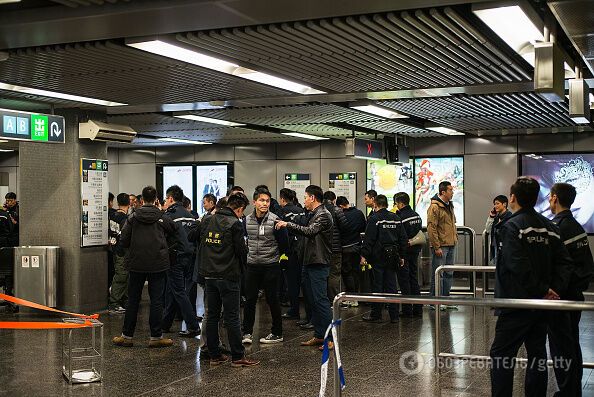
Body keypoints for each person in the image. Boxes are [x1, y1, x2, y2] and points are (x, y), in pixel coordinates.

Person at [489, 177, 572, 397]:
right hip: (542, 306)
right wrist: (554, 290)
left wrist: (543, 290)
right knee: (537, 354)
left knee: (501, 354)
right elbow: (565, 262)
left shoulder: (511, 227)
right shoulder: (550, 227)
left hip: (516, 304)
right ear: (536, 198)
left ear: (512, 197)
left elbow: (517, 264)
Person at [113, 186, 178, 348]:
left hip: (136, 264)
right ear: (156, 199)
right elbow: (175, 233)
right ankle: (156, 337)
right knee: (156, 301)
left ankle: (127, 336)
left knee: (133, 299)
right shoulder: (163, 217)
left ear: (141, 200)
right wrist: (164, 250)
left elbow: (124, 239)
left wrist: (131, 250)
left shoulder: (133, 217)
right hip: (158, 263)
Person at [199, 192, 259, 367]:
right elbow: (241, 251)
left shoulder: (207, 220)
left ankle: (214, 355)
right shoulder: (235, 224)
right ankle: (238, 356)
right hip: (229, 275)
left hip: (210, 275)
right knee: (232, 317)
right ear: (239, 209)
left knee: (212, 316)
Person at [548, 182, 593, 396]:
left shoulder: (557, 227)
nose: (548, 200)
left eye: (550, 196)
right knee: (572, 343)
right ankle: (572, 387)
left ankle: (567, 391)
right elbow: (586, 265)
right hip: (575, 295)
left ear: (555, 198)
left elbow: (554, 265)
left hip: (561, 297)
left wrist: (554, 289)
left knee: (561, 346)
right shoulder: (576, 227)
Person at [275, 185, 333, 350]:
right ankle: (319, 335)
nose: (304, 201)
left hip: (319, 262)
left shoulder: (323, 215)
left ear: (313, 198)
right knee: (313, 300)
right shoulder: (313, 213)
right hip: (309, 262)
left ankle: (330, 338)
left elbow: (310, 231)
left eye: (306, 197)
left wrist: (288, 225)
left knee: (321, 301)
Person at [242, 188, 289, 344]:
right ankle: (247, 333)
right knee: (250, 300)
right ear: (254, 202)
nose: (265, 203)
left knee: (272, 299)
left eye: (267, 201)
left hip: (270, 265)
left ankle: (277, 332)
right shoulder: (246, 220)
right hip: (252, 265)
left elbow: (284, 244)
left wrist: (280, 261)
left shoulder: (276, 220)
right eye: (261, 200)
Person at [161, 185, 201, 337]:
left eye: (166, 198)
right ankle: (165, 323)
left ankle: (193, 326)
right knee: (173, 289)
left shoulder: (169, 215)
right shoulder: (189, 214)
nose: (165, 201)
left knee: (178, 291)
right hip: (190, 256)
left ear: (171, 198)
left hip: (175, 256)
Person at [360, 194, 408, 323]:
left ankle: (376, 314)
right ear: (387, 204)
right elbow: (403, 239)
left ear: (375, 204)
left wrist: (364, 255)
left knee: (377, 286)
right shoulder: (396, 218)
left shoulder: (375, 219)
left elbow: (369, 239)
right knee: (392, 286)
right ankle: (394, 315)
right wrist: (402, 256)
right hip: (393, 257)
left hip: (378, 257)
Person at [427, 181, 457, 309]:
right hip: (441, 246)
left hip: (451, 243)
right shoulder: (435, 207)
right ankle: (435, 301)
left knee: (449, 273)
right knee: (438, 273)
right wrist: (436, 246)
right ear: (443, 192)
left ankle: (445, 299)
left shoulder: (449, 205)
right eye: (450, 190)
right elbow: (431, 227)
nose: (452, 192)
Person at [278, 188, 307, 320]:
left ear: (283, 199)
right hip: (301, 249)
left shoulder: (281, 212)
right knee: (303, 282)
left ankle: (294, 310)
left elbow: (280, 232)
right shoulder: (301, 210)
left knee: (291, 282)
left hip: (289, 251)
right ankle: (307, 313)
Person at [393, 192, 423, 316]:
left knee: (404, 281)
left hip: (404, 253)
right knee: (413, 278)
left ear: (400, 203)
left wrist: (400, 254)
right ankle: (417, 309)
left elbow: (400, 236)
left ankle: (407, 310)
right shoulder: (416, 215)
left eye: (396, 203)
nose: (395, 206)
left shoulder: (401, 217)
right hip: (415, 251)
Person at [336, 196, 365, 306]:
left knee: (347, 274)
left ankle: (351, 298)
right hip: (357, 246)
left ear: (340, 206)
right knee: (355, 273)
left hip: (345, 248)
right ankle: (355, 297)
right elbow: (363, 227)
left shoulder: (342, 215)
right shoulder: (359, 213)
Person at [322, 191, 350, 303]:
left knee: (323, 273)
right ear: (334, 200)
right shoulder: (337, 210)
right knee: (334, 274)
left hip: (322, 248)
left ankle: (323, 299)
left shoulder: (319, 210)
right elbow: (345, 227)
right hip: (335, 248)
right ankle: (334, 300)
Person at [108, 193, 130, 314]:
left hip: (114, 248)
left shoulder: (113, 216)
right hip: (122, 251)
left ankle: (122, 300)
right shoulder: (125, 219)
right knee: (121, 276)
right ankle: (114, 303)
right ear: (129, 204)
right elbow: (125, 237)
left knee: (122, 275)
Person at [483, 195, 512, 266]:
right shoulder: (496, 217)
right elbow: (488, 229)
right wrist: (491, 217)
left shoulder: (510, 217)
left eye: (497, 203)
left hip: (505, 248)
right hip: (496, 246)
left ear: (504, 204)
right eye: (494, 204)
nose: (495, 206)